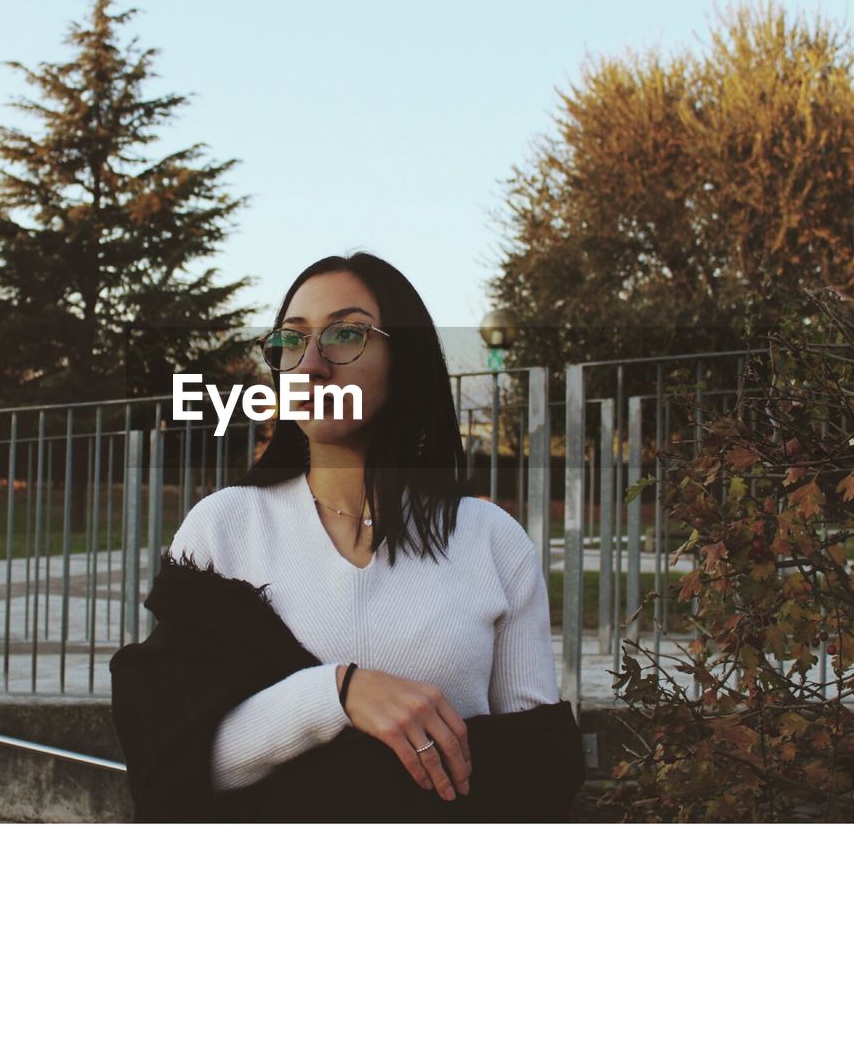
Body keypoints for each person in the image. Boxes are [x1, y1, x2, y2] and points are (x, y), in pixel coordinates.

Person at [109, 251, 581, 822]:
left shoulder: (492, 541)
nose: (311, 365)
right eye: (291, 340)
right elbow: (174, 765)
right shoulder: (223, 528)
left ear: (403, 359)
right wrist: (337, 694)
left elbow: (536, 770)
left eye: (345, 334)